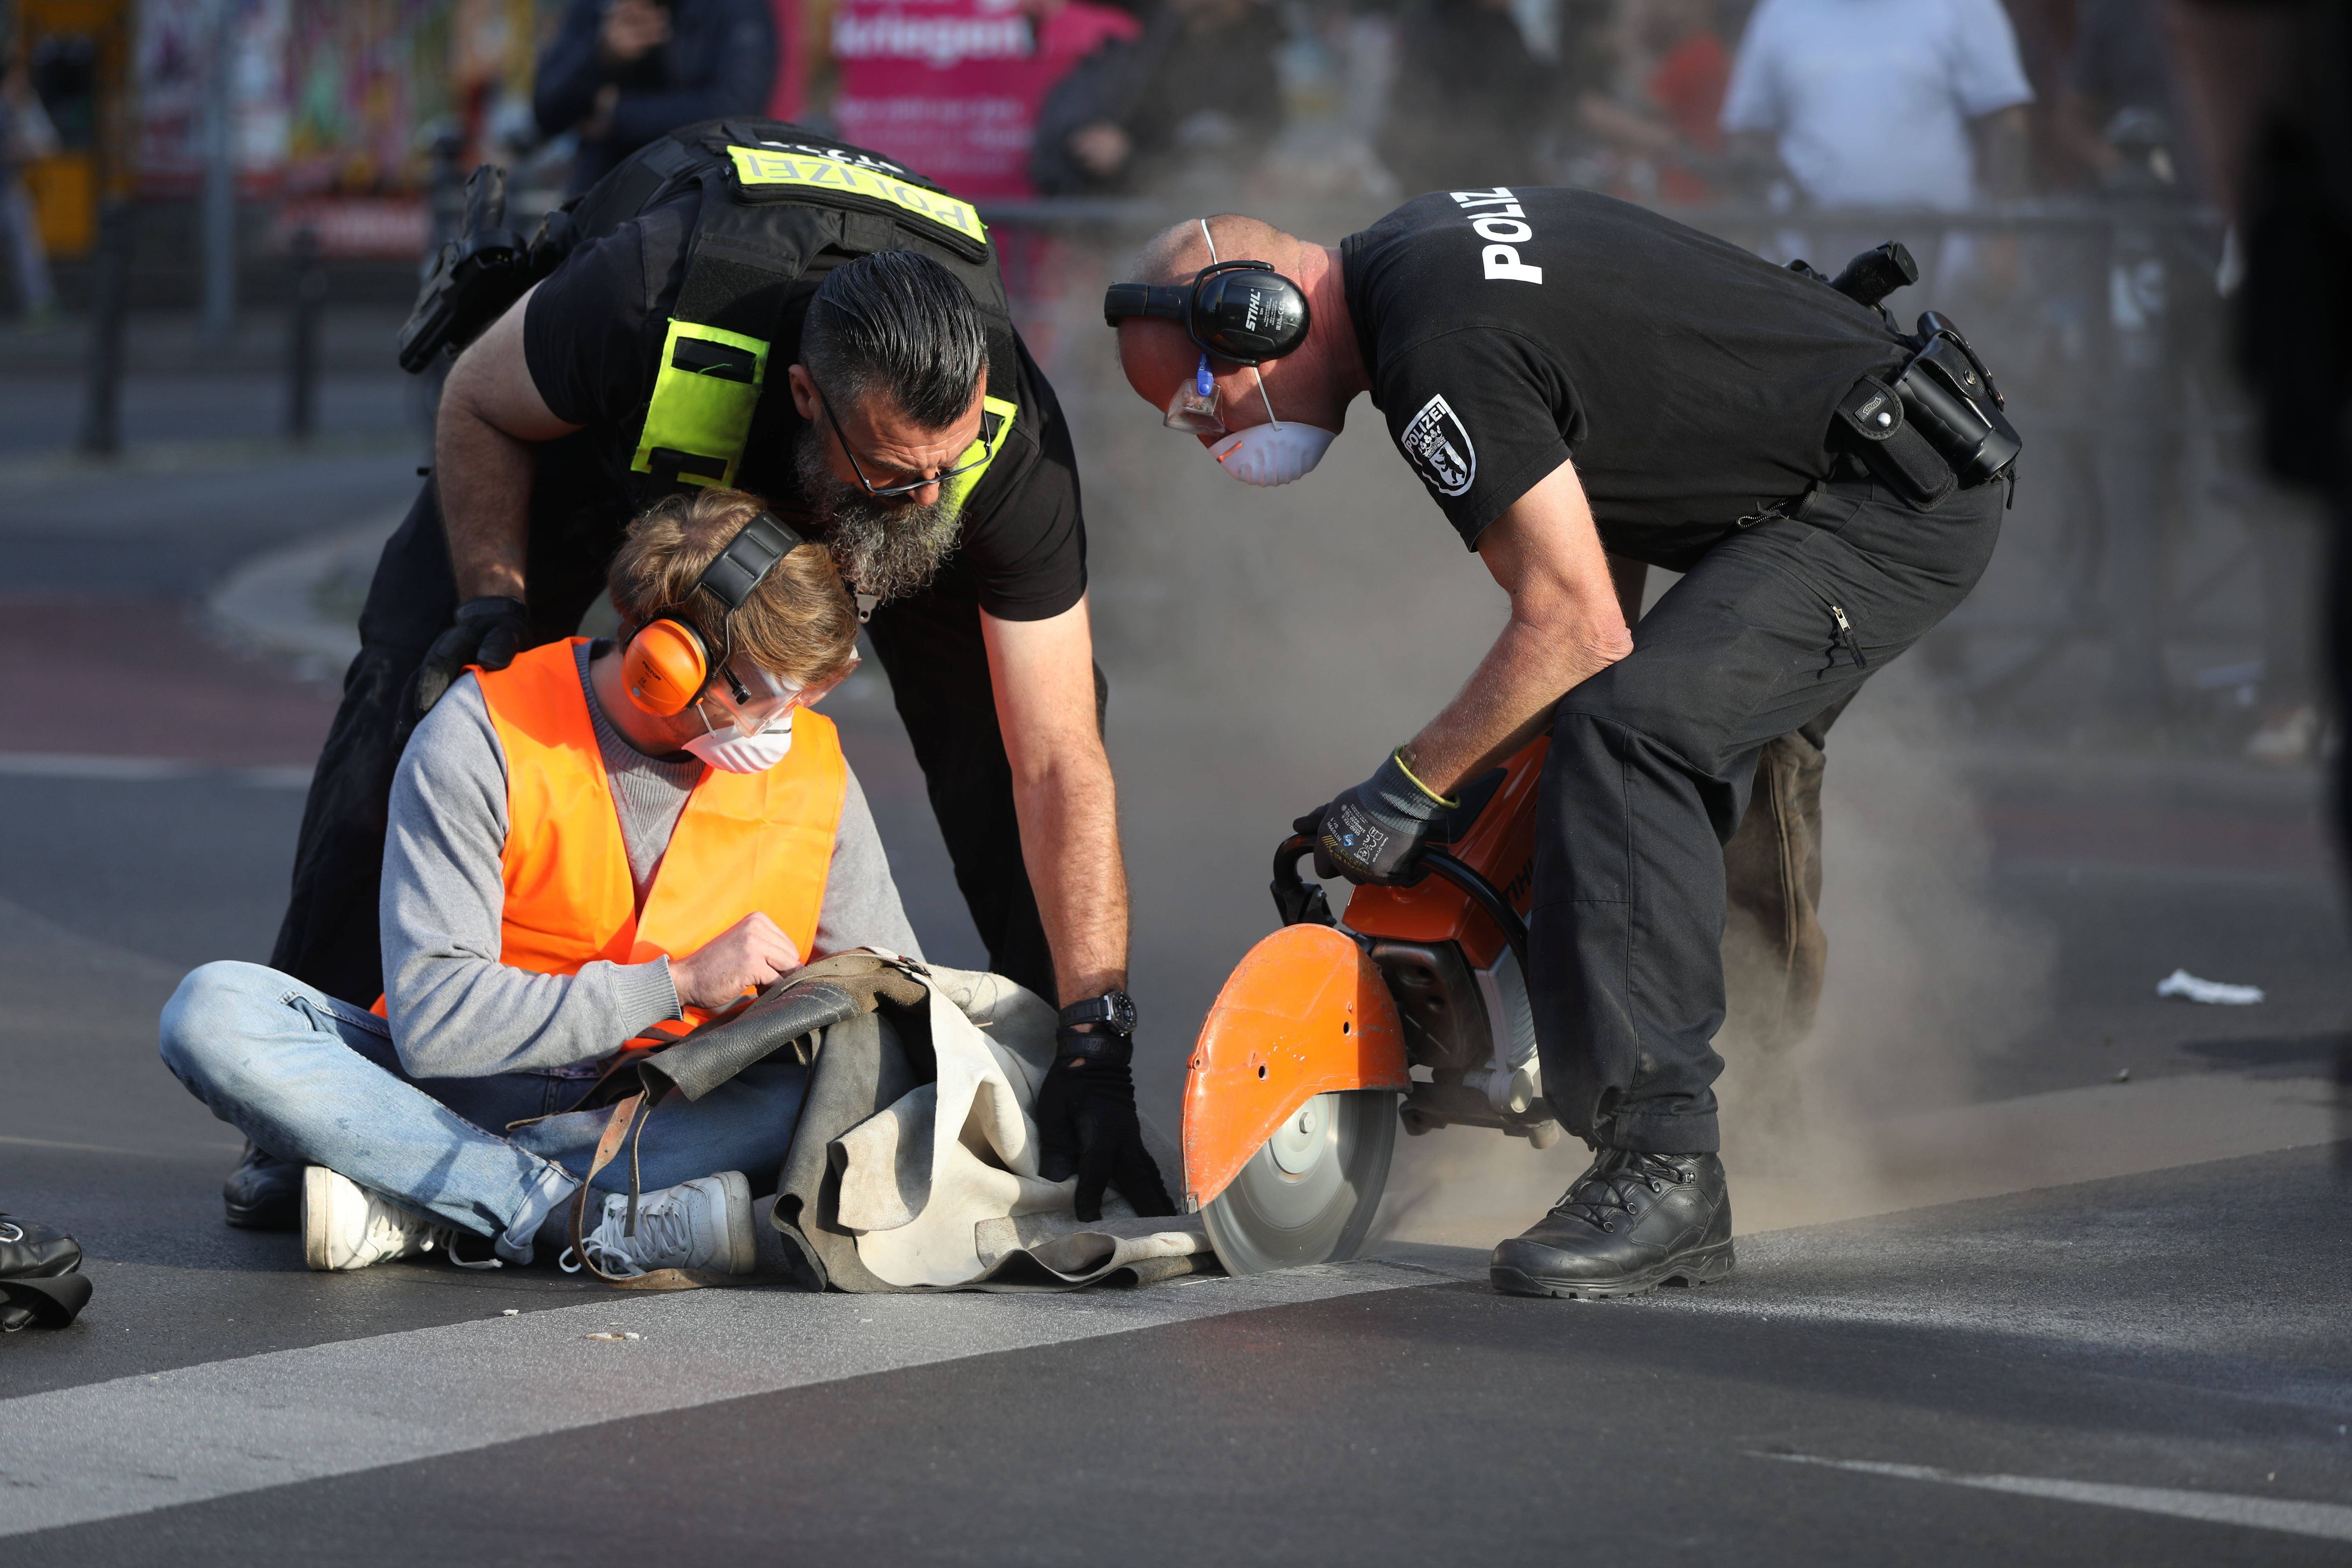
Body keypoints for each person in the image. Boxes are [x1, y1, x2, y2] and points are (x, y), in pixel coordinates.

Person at [243, 120, 1166, 1238]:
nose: (927, 498)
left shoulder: (998, 450)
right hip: (607, 452)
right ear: (808, 398)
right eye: (896, 470)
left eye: (947, 463)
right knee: (413, 679)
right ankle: (305, 1128)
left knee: (1000, 749)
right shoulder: (643, 297)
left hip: (849, 474)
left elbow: (1061, 761)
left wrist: (1097, 1035)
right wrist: (494, 604)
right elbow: (480, 402)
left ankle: (1039, 1102)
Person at [1106, 203, 2011, 1297]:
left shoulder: (1433, 353)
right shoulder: (1421, 253)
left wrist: (1403, 792)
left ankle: (1666, 1166)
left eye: (1197, 403)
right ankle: (1759, 1090)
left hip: (1885, 496)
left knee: (1636, 733)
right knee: (1676, 721)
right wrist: (1467, 781)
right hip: (1859, 460)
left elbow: (1576, 623)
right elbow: (1602, 555)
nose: (1206, 437)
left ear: (1262, 317)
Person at [165, 493, 905, 1276]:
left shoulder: (815, 767)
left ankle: (428, 1194)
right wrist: (681, 980)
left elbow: (891, 1005)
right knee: (213, 1011)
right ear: (667, 663)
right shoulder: (479, 733)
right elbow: (437, 1023)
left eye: (809, 695)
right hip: (458, 1093)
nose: (788, 724)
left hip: (662, 1111)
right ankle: (562, 1211)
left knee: (856, 1076)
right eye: (769, 693)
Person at [1719, 0, 2034, 209]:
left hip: (1939, 267)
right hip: (1810, 271)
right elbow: (1749, 133)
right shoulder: (1780, 11)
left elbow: (2005, 119)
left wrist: (2004, 235)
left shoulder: (1961, 5)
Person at [1029, 0, 1285, 196]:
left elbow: (1222, 163)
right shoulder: (1153, 35)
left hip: (1190, 220)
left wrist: (1129, 159)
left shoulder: (1259, 64)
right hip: (1113, 216)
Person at [534, 0, 779, 196]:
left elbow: (737, 108)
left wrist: (617, 114)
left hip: (697, 198)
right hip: (602, 196)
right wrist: (602, 56)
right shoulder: (596, 8)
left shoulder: (736, 8)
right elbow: (545, 108)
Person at [1374, 0, 1555, 198]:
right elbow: (1425, 101)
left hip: (1485, 163)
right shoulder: (1440, 26)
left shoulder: (1501, 25)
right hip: (1443, 168)